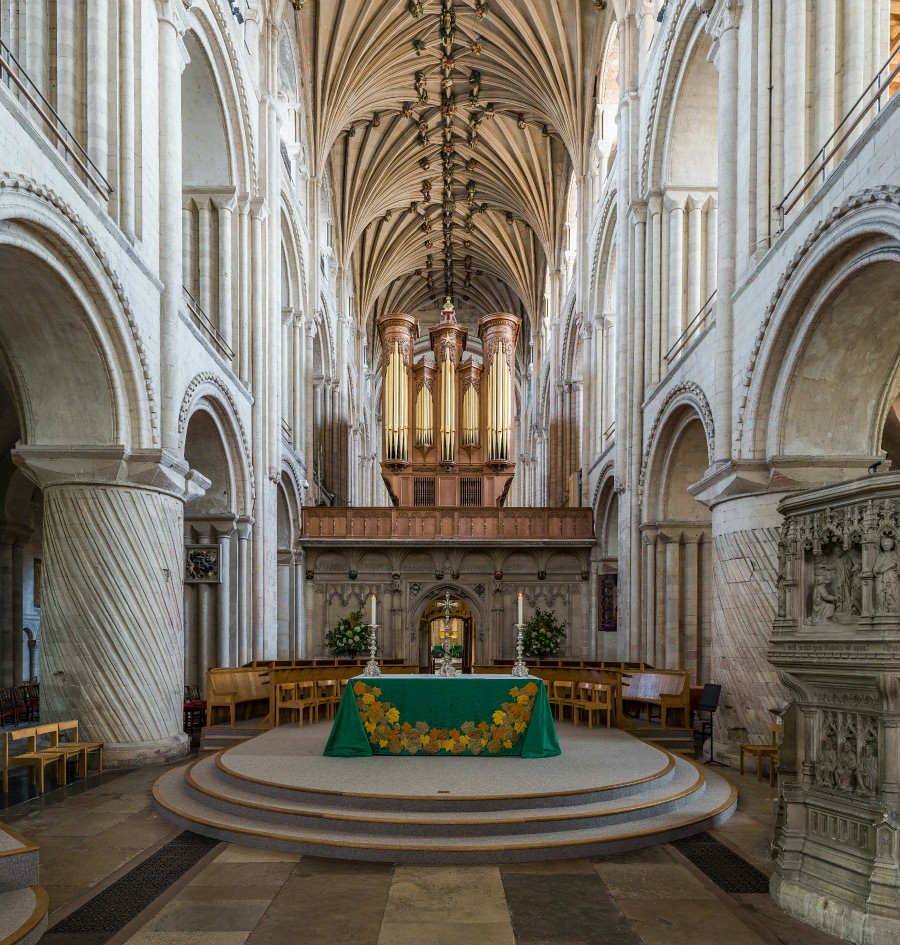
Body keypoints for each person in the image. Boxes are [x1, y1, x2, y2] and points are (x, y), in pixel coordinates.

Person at [873, 535, 900, 613]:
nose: (886, 546)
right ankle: (881, 609)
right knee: (879, 592)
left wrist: (894, 565)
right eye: (884, 545)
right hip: (881, 579)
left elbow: (898, 567)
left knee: (891, 592)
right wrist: (878, 571)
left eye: (887, 545)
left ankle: (892, 609)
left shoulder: (894, 555)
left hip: (892, 578)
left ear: (891, 546)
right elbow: (875, 568)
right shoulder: (880, 556)